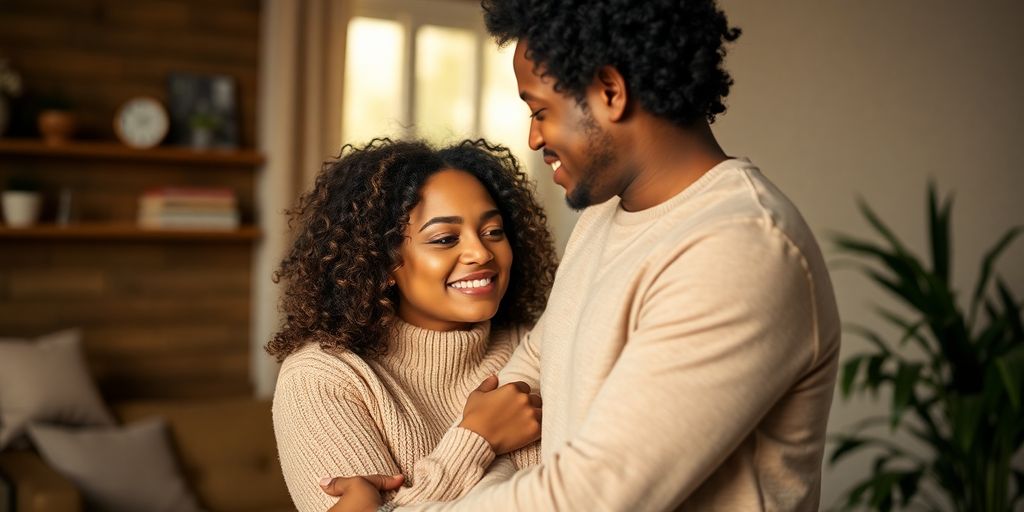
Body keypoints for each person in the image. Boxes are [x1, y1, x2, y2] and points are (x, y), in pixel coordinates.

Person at [322, 0, 841, 511]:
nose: (533, 137)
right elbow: (523, 386)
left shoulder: (741, 248)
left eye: (541, 110)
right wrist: (430, 489)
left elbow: (590, 494)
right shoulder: (602, 220)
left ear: (610, 92)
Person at [268, 138, 558, 512]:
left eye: (493, 232)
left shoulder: (540, 347)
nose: (481, 253)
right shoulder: (323, 378)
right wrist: (478, 438)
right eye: (445, 239)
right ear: (384, 261)